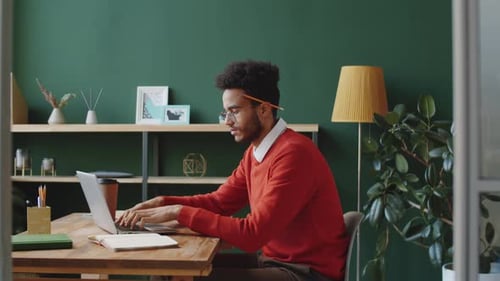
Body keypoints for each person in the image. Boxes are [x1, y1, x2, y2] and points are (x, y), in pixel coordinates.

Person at [116, 60, 349, 281]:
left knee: (181, 277)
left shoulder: (294, 154)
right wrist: (163, 202)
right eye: (225, 112)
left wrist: (178, 212)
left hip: (304, 273)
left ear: (265, 109)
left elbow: (252, 234)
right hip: (273, 262)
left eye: (234, 111)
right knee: (167, 269)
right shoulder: (256, 152)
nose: (227, 121)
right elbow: (219, 202)